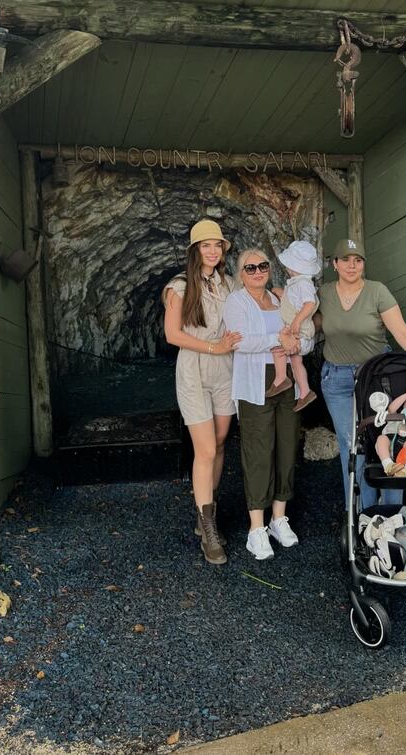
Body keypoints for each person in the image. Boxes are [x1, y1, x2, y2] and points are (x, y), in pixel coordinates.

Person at [317, 236, 406, 510]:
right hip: (338, 379)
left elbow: (402, 333)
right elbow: (305, 321)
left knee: (390, 435)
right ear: (334, 264)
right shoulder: (323, 294)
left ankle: (391, 511)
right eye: (345, 260)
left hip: (376, 379)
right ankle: (363, 515)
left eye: (357, 260)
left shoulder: (377, 291)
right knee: (352, 444)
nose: (352, 266)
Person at [163, 220, 242, 566]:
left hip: (225, 371)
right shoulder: (180, 286)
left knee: (221, 441)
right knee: (206, 448)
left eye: (218, 245)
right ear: (195, 250)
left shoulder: (228, 283)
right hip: (195, 369)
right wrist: (214, 348)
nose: (213, 251)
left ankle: (205, 507)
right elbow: (173, 335)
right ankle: (208, 525)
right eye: (206, 245)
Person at [222, 248, 303, 561]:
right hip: (257, 382)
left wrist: (295, 342)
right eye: (249, 267)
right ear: (241, 274)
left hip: (287, 381)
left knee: (286, 446)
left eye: (262, 266)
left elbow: (301, 334)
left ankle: (278, 518)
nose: (257, 271)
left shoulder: (281, 299)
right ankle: (256, 528)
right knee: (258, 451)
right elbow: (240, 341)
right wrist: (278, 340)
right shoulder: (236, 302)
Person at [267, 240, 320, 411]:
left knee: (278, 347)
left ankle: (281, 379)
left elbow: (309, 304)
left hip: (300, 332)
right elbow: (292, 301)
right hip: (301, 334)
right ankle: (305, 392)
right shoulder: (298, 283)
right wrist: (279, 292)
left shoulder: (303, 283)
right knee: (296, 361)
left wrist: (296, 322)